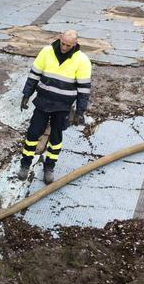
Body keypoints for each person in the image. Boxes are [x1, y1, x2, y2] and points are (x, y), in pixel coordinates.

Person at [19, 29, 92, 184]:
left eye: (68, 45)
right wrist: (26, 94)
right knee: (33, 134)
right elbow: (34, 75)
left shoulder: (82, 60)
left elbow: (84, 89)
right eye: (63, 43)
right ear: (59, 38)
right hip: (43, 102)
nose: (64, 48)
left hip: (63, 107)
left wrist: (80, 111)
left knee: (56, 138)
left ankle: (49, 167)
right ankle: (25, 164)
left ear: (75, 44)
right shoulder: (46, 52)